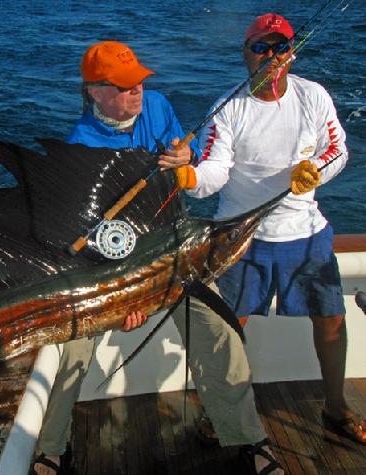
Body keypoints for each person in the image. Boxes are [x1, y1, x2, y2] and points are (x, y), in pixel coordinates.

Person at [32, 40, 282, 475]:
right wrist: (126, 300)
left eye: (139, 84)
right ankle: (53, 447)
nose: (137, 93)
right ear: (95, 91)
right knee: (70, 349)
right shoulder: (80, 147)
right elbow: (88, 238)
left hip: (175, 254)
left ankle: (249, 438)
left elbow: (194, 160)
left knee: (221, 333)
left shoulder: (159, 107)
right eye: (125, 87)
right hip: (113, 270)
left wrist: (189, 156)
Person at [175, 13, 364, 446]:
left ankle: (336, 408)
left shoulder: (313, 95)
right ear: (245, 54)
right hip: (244, 236)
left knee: (332, 319)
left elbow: (338, 149)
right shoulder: (229, 109)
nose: (271, 56)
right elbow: (214, 174)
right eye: (260, 47)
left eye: (279, 48)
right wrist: (189, 177)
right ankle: (221, 413)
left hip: (306, 230)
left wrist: (314, 169)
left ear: (291, 53)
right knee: (230, 328)